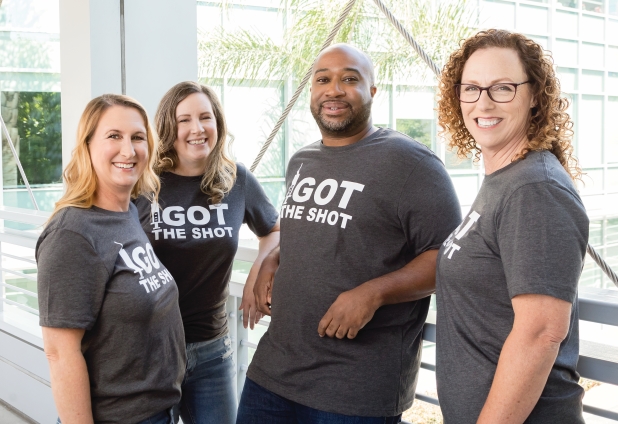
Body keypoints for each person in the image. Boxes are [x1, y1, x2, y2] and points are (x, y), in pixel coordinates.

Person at [237, 43, 461, 424]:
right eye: (322, 79)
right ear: (311, 93)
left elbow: (449, 257)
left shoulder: (409, 163)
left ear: (372, 91)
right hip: (273, 372)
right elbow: (307, 229)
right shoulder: (301, 161)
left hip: (355, 389)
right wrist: (271, 257)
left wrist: (373, 293)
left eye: (349, 79)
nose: (334, 89)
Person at [435, 29, 589, 424]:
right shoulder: (506, 179)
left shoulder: (534, 190)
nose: (483, 102)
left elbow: (541, 334)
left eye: (502, 88)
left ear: (534, 95)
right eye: (471, 88)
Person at [134, 81, 280, 424]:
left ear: (218, 124)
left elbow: (274, 230)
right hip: (148, 351)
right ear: (169, 127)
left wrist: (260, 267)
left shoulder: (237, 180)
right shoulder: (144, 182)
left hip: (212, 351)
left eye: (205, 117)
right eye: (184, 120)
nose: (196, 129)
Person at [37, 94, 185, 424]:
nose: (128, 151)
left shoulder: (128, 211)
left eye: (137, 137)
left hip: (157, 411)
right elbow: (60, 353)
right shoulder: (73, 234)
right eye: (114, 136)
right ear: (87, 145)